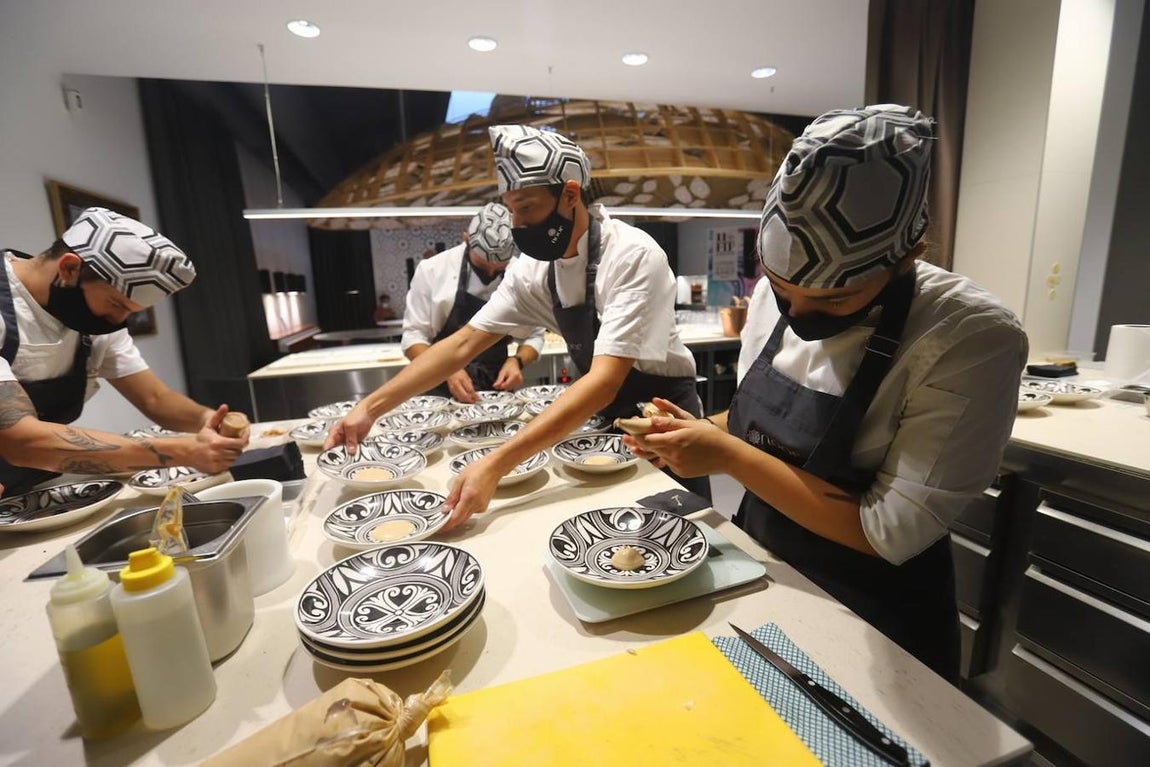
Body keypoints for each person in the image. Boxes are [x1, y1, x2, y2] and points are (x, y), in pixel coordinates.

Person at [626, 105, 1028, 682]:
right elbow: (751, 417)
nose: (799, 313)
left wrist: (724, 454)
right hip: (761, 566)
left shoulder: (969, 336)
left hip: (876, 618)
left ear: (907, 255)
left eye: (835, 300)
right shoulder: (772, 300)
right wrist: (693, 432)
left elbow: (887, 530)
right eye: (785, 292)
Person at [328, 124, 707, 525]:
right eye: (511, 209)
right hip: (598, 419)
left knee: (674, 538)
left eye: (526, 207)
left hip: (661, 418)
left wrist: (496, 464)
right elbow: (463, 344)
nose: (518, 223)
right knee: (607, 533)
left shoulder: (631, 256)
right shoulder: (534, 271)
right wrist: (369, 408)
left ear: (571, 195)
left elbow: (604, 381)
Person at [0, 207, 249, 496]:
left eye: (130, 312)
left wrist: (207, 420)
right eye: (116, 304)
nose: (117, 321)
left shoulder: (92, 322)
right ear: (69, 268)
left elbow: (155, 398)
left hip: (37, 486)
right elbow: (21, 440)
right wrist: (181, 451)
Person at [401, 202, 545, 402]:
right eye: (483, 266)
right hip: (439, 389)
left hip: (496, 393)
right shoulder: (433, 270)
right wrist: (446, 369)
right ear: (466, 240)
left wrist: (517, 361)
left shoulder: (521, 273)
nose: (490, 273)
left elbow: (534, 336)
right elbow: (413, 338)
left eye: (498, 269)